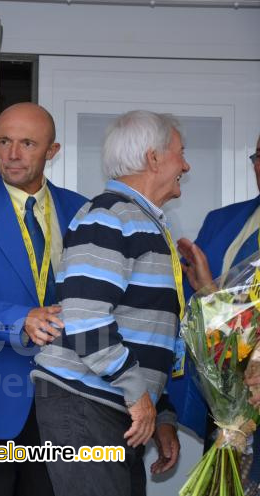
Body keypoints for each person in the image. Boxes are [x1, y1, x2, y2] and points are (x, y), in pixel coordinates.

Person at [32, 110, 187, 496]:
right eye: (180, 153)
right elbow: (86, 320)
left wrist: (161, 411)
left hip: (111, 405)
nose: (185, 165)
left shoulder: (143, 221)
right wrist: (139, 394)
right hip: (85, 404)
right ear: (153, 158)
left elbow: (147, 332)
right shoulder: (109, 217)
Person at [0, 103, 87, 496]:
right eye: (4, 141)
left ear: (52, 151)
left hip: (63, 404)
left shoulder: (81, 210)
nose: (12, 154)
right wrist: (17, 318)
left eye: (27, 143)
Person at [173, 133, 260, 493]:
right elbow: (196, 314)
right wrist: (207, 290)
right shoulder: (223, 221)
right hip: (226, 410)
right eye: (259, 155)